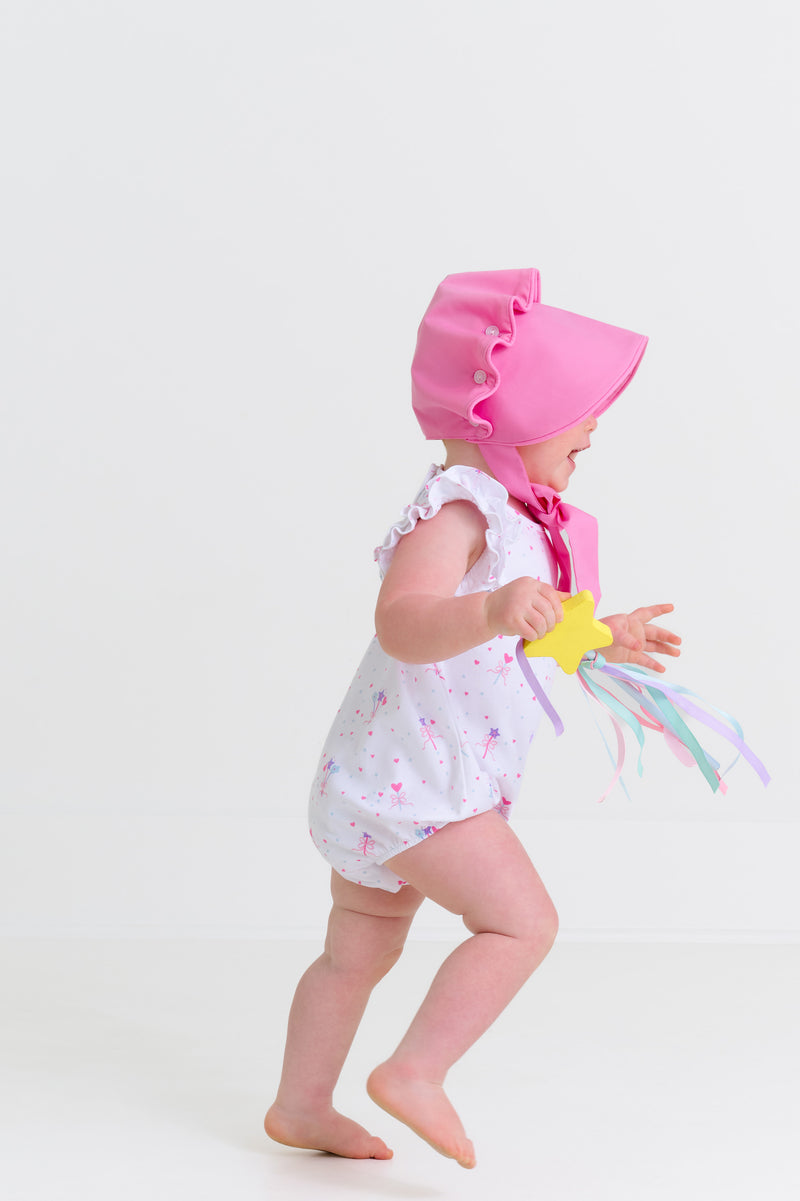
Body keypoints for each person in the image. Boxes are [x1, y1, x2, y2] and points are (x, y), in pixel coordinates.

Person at [264, 268, 681, 1169]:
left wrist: (604, 633)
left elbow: (531, 630)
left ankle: (299, 1106)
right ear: (515, 414)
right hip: (418, 783)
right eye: (577, 412)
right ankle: (416, 1069)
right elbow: (402, 621)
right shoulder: (459, 508)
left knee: (357, 952)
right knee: (522, 922)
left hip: (394, 778)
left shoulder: (521, 522)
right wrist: (492, 609)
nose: (593, 430)